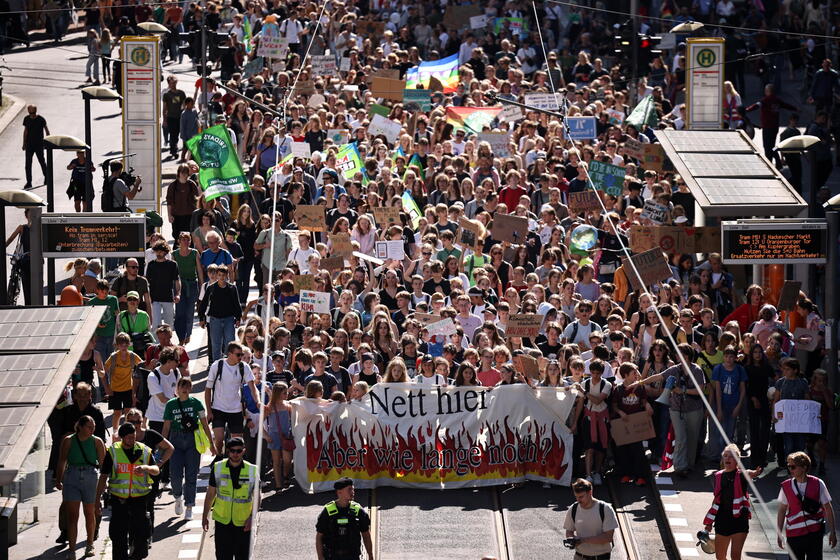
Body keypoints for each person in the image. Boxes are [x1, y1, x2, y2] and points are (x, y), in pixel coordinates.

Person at [95, 422, 160, 560]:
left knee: (141, 533)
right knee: (118, 535)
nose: (132, 440)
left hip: (139, 499)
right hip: (119, 499)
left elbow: (156, 470)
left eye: (134, 437)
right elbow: (104, 476)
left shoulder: (144, 450)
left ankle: (138, 555)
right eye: (129, 437)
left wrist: (145, 468)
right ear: (122, 437)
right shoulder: (113, 452)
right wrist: (97, 500)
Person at [54, 415, 106, 560]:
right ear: (80, 427)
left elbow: (103, 465)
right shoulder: (69, 440)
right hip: (72, 476)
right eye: (89, 427)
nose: (92, 429)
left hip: (90, 476)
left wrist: (104, 484)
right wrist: (59, 480)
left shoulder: (97, 441)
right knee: (72, 515)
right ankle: (72, 549)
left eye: (93, 427)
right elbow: (62, 461)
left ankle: (90, 544)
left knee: (90, 512)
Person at [163, 377, 213, 521]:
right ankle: (177, 496)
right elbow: (166, 426)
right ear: (177, 389)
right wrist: (162, 444)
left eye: (187, 387)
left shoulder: (196, 403)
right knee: (176, 475)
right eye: (182, 387)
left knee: (191, 475)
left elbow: (204, 424)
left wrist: (212, 443)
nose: (184, 390)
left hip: (192, 441)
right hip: (175, 441)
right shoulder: (171, 405)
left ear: (190, 389)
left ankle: (189, 505)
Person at [202, 437, 260, 560]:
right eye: (232, 451)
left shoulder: (252, 470)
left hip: (243, 523)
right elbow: (210, 494)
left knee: (243, 557)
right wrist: (205, 516)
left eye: (239, 451)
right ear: (228, 451)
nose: (235, 454)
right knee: (223, 557)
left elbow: (257, 497)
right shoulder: (217, 468)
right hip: (222, 522)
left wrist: (252, 518)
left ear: (244, 451)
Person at [703, 444, 762, 560]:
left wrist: (755, 473)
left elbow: (748, 472)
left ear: (737, 460)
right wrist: (709, 522)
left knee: (735, 556)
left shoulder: (741, 475)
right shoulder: (718, 476)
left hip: (739, 519)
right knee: (720, 556)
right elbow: (716, 499)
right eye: (725, 456)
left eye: (731, 456)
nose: (727, 459)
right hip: (722, 519)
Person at [776, 451, 837, 559]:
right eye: (788, 466)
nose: (790, 469)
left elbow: (828, 508)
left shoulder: (818, 483)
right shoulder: (786, 486)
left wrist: (833, 532)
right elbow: (781, 510)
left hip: (814, 534)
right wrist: (779, 533)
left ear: (804, 467)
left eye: (793, 466)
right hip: (794, 534)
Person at [205, 342, 259, 456]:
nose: (241, 357)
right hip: (218, 408)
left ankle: (233, 462)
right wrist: (209, 411)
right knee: (219, 440)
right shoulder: (217, 365)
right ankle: (219, 459)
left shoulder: (243, 367)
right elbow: (208, 389)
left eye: (241, 355)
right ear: (229, 354)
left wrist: (258, 402)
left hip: (236, 409)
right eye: (238, 355)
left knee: (237, 443)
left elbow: (252, 387)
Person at [316, 477, 374, 560]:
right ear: (339, 492)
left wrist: (370, 556)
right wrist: (320, 557)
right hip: (332, 556)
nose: (353, 492)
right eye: (349, 490)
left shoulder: (358, 511)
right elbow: (319, 537)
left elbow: (366, 535)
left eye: (353, 489)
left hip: (352, 556)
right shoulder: (327, 512)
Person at [563, 477, 618, 560]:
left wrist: (582, 540)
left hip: (601, 557)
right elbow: (569, 531)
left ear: (590, 492)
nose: (578, 500)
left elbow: (608, 537)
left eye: (581, 497)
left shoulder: (605, 509)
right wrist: (572, 539)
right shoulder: (573, 509)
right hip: (579, 556)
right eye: (576, 497)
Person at [198, 265, 241, 362]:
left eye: (223, 275)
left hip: (229, 319)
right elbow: (203, 304)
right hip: (215, 319)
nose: (222, 277)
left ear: (227, 276)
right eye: (219, 275)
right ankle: (217, 366)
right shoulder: (211, 288)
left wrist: (238, 318)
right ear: (217, 276)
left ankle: (229, 362)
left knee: (230, 343)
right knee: (215, 344)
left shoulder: (232, 288)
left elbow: (236, 304)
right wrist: (201, 318)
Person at [22, 104, 49, 190]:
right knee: (28, 164)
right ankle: (29, 182)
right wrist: (24, 143)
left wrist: (47, 142)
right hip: (29, 145)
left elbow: (47, 131)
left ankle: (47, 177)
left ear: (35, 111)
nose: (32, 114)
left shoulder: (41, 119)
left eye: (33, 112)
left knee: (42, 161)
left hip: (39, 144)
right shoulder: (26, 119)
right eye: (30, 112)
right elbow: (25, 131)